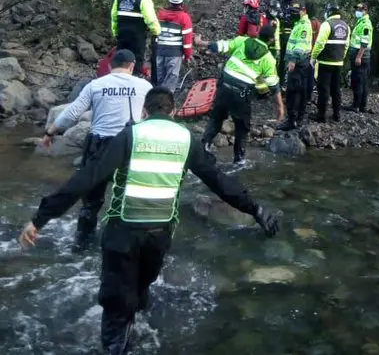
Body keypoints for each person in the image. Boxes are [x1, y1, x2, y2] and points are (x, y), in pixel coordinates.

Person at [20, 87, 279, 355]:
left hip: (122, 233)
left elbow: (88, 177)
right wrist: (255, 209)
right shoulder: (186, 139)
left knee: (117, 306)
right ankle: (139, 327)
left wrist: (41, 218)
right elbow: (219, 182)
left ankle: (118, 343)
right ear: (173, 112)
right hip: (159, 235)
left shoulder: (131, 134)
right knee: (141, 289)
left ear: (144, 111)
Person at [41, 48, 152, 245]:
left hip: (99, 146)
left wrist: (51, 131)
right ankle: (124, 241)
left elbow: (73, 112)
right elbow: (152, 114)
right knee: (129, 198)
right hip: (129, 145)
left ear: (110, 66)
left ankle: (82, 243)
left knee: (91, 200)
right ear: (132, 66)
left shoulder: (96, 85)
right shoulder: (144, 85)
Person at [201, 24, 284, 162]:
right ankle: (239, 160)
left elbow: (220, 46)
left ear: (258, 34)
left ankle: (203, 148)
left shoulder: (243, 40)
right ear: (271, 40)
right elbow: (274, 85)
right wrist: (280, 107)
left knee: (216, 118)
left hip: (224, 87)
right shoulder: (269, 59)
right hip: (241, 93)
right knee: (242, 127)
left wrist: (201, 43)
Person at [110, 0, 161, 77]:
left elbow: (114, 16)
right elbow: (150, 19)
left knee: (121, 58)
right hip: (137, 36)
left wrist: (115, 32)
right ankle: (134, 81)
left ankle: (118, 81)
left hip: (122, 34)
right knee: (137, 59)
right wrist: (157, 31)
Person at [311, 4, 350, 123]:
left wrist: (313, 57)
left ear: (329, 12)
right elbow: (346, 45)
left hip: (325, 62)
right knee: (336, 89)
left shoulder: (327, 25)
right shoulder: (346, 26)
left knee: (324, 89)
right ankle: (336, 114)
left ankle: (321, 116)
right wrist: (341, 57)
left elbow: (319, 43)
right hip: (338, 63)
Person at [278, 2, 313, 130]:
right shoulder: (300, 24)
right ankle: (298, 119)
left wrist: (292, 60)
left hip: (298, 62)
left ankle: (292, 120)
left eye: (297, 10)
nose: (295, 12)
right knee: (301, 90)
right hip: (302, 62)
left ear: (304, 11)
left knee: (293, 91)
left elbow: (301, 45)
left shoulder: (304, 25)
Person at [154, 0, 194, 93]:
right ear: (182, 2)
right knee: (171, 79)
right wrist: (188, 56)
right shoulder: (184, 17)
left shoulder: (160, 14)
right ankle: (167, 103)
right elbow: (187, 42)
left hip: (160, 50)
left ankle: (158, 99)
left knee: (160, 77)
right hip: (174, 53)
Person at [348, 2, 374, 113]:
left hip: (361, 57)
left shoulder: (365, 24)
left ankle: (356, 105)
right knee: (362, 81)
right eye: (357, 9)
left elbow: (364, 42)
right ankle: (362, 105)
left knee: (358, 81)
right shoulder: (361, 22)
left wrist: (359, 57)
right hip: (360, 56)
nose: (357, 11)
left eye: (360, 9)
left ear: (365, 11)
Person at [278, 0, 299, 79]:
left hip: (277, 38)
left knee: (280, 61)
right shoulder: (295, 12)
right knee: (288, 60)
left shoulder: (278, 9)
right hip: (290, 39)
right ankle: (285, 80)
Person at [264, 0, 282, 67]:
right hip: (262, 45)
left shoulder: (276, 20)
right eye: (275, 10)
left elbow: (277, 36)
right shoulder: (263, 17)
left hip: (272, 48)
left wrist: (278, 49)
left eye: (277, 11)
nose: (276, 12)